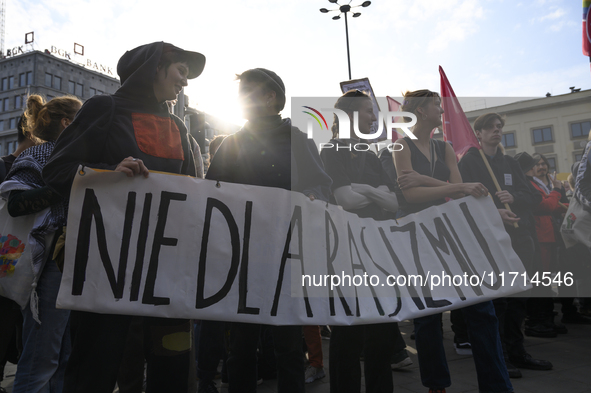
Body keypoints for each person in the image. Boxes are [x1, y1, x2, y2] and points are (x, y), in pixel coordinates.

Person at [42, 41, 205, 393]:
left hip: (167, 271)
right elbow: (56, 171)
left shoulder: (178, 126)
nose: (186, 83)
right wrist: (109, 173)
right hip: (106, 267)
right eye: (181, 71)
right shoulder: (105, 109)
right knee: (95, 367)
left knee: (173, 365)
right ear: (154, 68)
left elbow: (193, 191)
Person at [205, 67, 331, 393]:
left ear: (270, 97)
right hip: (243, 260)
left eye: (245, 93)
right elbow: (210, 196)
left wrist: (315, 196)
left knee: (289, 346)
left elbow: (322, 187)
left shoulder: (299, 141)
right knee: (242, 347)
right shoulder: (231, 144)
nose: (239, 101)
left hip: (288, 259)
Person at [394, 91, 512, 393]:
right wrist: (453, 186)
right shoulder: (399, 145)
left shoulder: (445, 147)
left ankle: (497, 386)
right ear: (421, 110)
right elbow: (410, 194)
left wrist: (489, 209)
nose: (441, 109)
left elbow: (458, 193)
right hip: (419, 238)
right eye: (436, 104)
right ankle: (437, 386)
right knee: (428, 317)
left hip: (455, 230)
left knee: (482, 309)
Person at [320, 89, 409, 393]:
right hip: (346, 254)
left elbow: (393, 203)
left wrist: (365, 190)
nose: (374, 117)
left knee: (381, 335)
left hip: (379, 254)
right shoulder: (329, 151)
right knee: (347, 336)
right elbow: (345, 200)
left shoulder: (370, 155)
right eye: (370, 110)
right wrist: (375, 193)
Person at [458, 113, 552, 379]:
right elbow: (463, 199)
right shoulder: (471, 162)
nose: (496, 131)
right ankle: (498, 354)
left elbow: (532, 195)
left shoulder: (510, 162)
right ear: (478, 133)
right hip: (489, 239)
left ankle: (517, 350)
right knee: (498, 300)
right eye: (490, 127)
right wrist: (492, 209)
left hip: (520, 237)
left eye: (499, 127)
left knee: (519, 299)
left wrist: (515, 196)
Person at [0, 94, 82, 393]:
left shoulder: (77, 158)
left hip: (69, 263)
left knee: (61, 354)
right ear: (67, 123)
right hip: (49, 265)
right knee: (42, 357)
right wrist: (64, 183)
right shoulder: (40, 154)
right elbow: (16, 203)